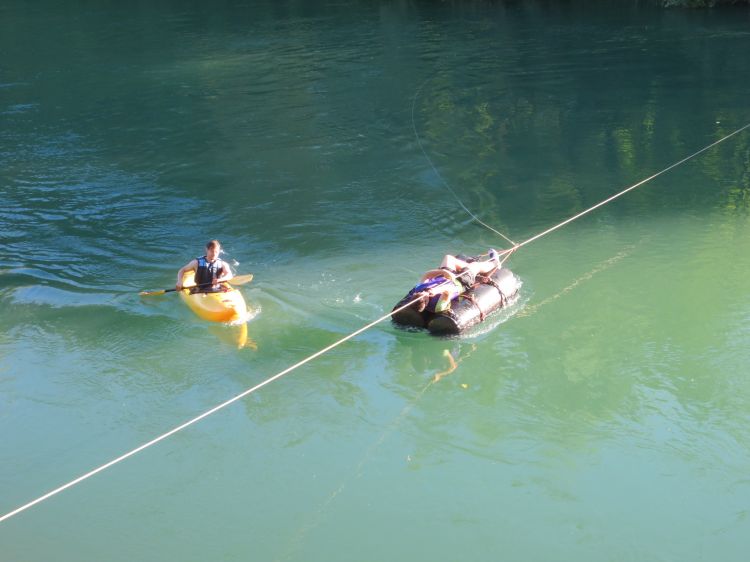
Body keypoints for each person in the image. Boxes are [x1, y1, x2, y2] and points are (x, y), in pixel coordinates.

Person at [410, 249, 500, 314]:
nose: (423, 292)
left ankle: (468, 265)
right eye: (424, 297)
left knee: (448, 258)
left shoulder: (418, 289)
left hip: (445, 276)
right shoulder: (438, 306)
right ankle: (495, 262)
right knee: (476, 265)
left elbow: (426, 275)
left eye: (420, 293)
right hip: (459, 283)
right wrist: (435, 291)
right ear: (426, 303)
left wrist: (443, 272)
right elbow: (447, 292)